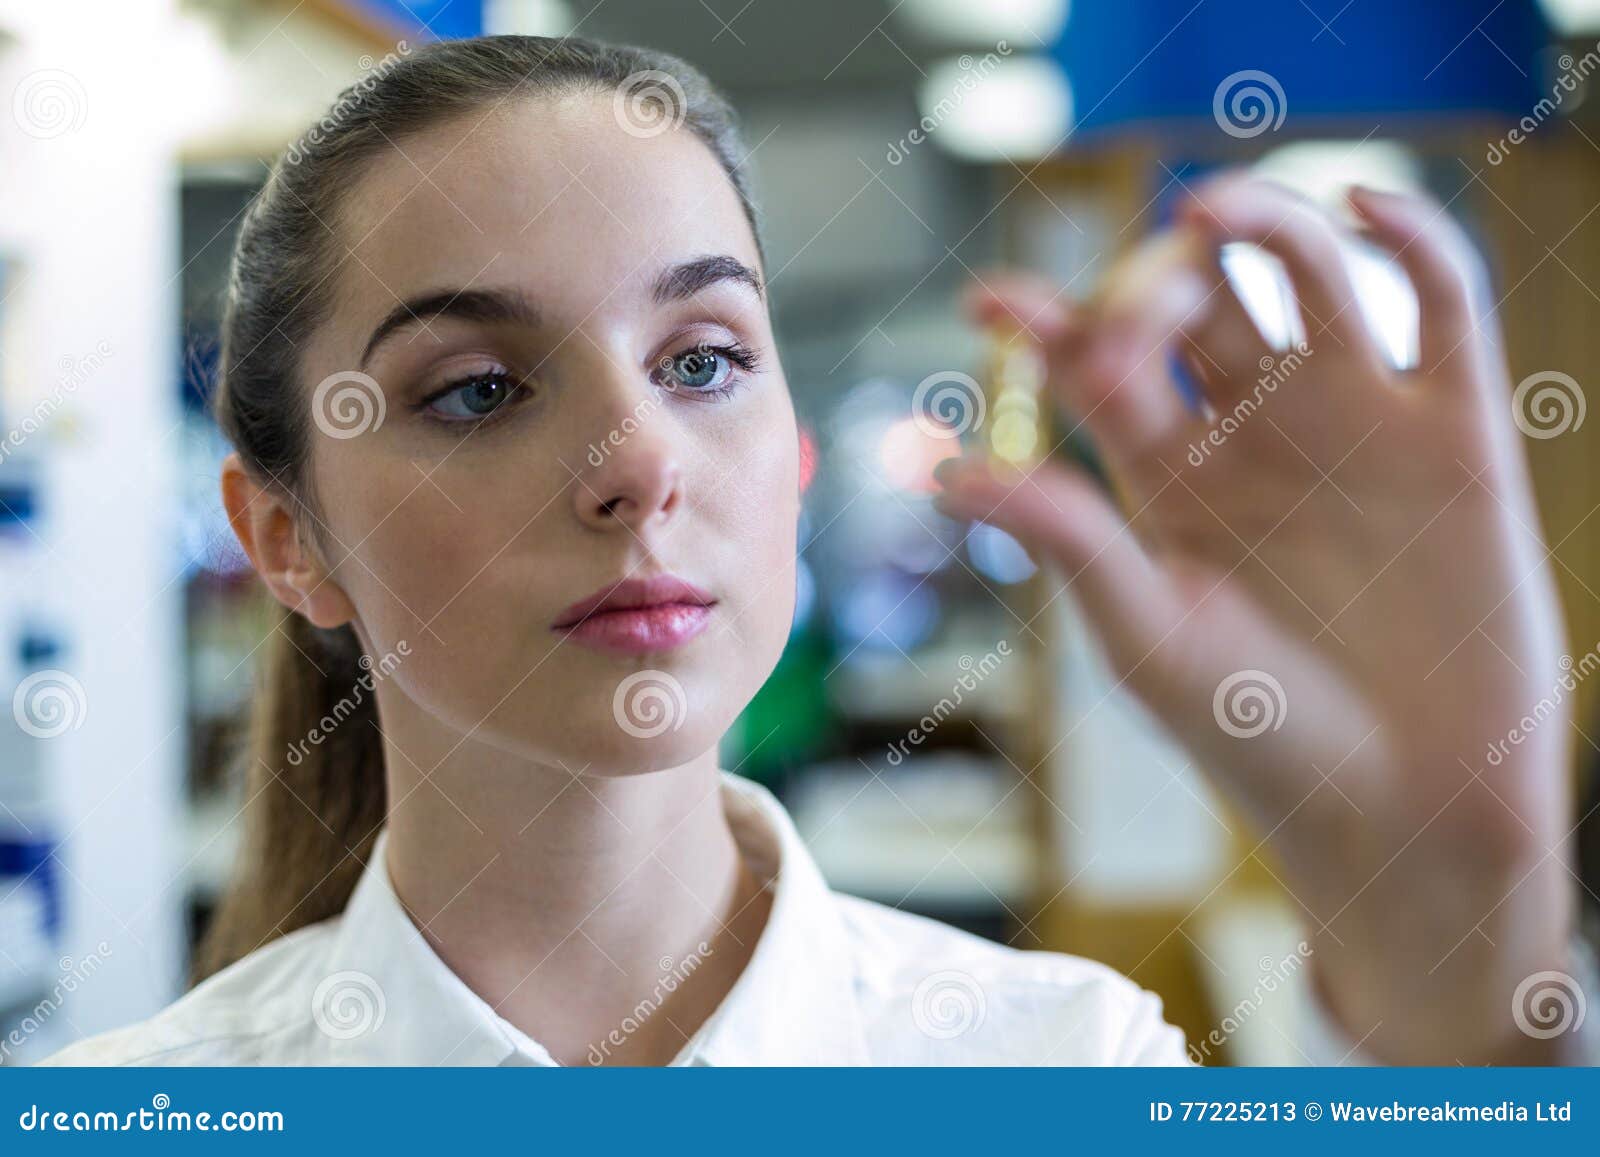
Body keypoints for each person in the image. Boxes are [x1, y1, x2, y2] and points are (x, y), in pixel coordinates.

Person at [39, 34, 1596, 1066]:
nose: (639, 459)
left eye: (703, 358)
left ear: (787, 454)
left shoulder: (1061, 1066)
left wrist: (1456, 959)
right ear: (287, 539)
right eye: (480, 388)